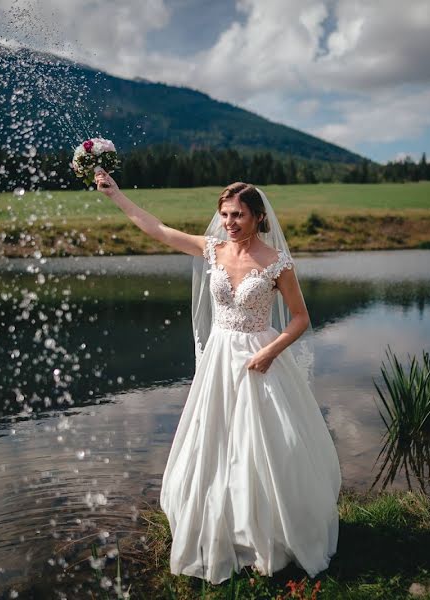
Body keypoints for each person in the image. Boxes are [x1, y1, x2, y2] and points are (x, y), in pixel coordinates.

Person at [94, 168, 341, 584]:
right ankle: (218, 529)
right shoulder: (212, 250)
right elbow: (158, 230)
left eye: (239, 215)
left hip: (260, 358)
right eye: (225, 214)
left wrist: (269, 352)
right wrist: (116, 195)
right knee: (215, 442)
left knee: (262, 443)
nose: (230, 222)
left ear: (259, 218)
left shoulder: (277, 262)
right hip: (219, 359)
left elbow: (300, 319)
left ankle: (268, 533)